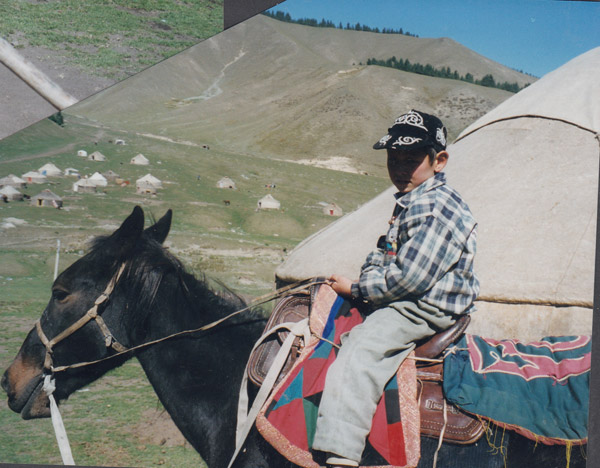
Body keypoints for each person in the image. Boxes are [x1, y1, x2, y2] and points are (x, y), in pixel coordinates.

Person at [312, 110, 479, 468]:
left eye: (411, 160)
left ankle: (340, 453)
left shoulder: (437, 208)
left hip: (423, 305)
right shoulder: (414, 199)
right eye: (394, 158)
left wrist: (358, 288)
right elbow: (384, 253)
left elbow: (410, 279)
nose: (400, 168)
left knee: (359, 350)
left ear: (440, 160)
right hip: (410, 295)